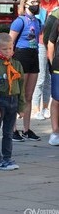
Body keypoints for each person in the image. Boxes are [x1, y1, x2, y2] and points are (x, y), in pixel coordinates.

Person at [0, 33, 25, 170]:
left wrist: (21, 106)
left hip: (13, 100)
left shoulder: (17, 65)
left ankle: (7, 157)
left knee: (9, 132)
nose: (8, 51)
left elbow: (21, 86)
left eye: (10, 48)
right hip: (0, 101)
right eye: (4, 49)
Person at [9, 0, 42, 142]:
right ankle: (13, 129)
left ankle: (26, 129)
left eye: (37, 2)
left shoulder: (37, 21)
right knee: (17, 94)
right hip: (20, 56)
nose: (36, 5)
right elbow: (10, 42)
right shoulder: (19, 21)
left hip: (33, 56)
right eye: (33, 2)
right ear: (26, 3)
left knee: (29, 95)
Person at [31, 0, 57, 120]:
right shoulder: (38, 1)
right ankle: (35, 109)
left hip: (53, 43)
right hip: (41, 43)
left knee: (50, 76)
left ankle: (46, 107)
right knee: (40, 78)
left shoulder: (55, 1)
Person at [46, 18, 59, 146]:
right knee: (56, 99)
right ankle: (55, 132)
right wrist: (51, 62)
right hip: (58, 66)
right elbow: (51, 42)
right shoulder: (57, 22)